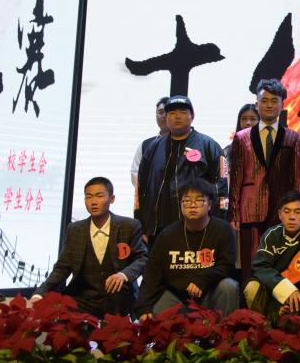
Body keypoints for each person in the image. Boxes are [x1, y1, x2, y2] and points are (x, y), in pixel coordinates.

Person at [32, 176, 147, 318]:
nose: (93, 202)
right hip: (83, 298)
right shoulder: (75, 229)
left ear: (112, 199)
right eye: (89, 197)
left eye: (99, 196)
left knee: (119, 297)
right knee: (60, 314)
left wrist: (123, 275)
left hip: (118, 298)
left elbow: (142, 259)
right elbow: (62, 268)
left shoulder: (129, 226)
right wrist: (39, 294)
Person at [229, 80, 300, 281]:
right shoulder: (242, 137)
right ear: (257, 103)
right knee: (250, 266)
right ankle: (249, 301)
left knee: (279, 264)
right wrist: (234, 213)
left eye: (274, 100)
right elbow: (235, 178)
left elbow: (296, 179)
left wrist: (297, 210)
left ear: (282, 104)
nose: (269, 105)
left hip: (281, 210)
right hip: (250, 208)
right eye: (264, 100)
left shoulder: (293, 137)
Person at [135, 178, 239, 319]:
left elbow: (227, 265)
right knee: (156, 311)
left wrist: (203, 279)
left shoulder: (222, 230)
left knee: (229, 287)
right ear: (181, 204)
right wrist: (143, 307)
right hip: (177, 296)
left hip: (210, 292)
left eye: (199, 200)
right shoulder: (167, 234)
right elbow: (152, 273)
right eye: (187, 200)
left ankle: (225, 330)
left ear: (209, 204)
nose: (192, 205)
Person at [136, 95, 224, 243]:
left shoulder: (209, 145)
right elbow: (140, 188)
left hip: (198, 226)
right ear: (166, 117)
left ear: (192, 116)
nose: (177, 116)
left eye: (183, 112)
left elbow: (221, 185)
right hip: (158, 228)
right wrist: (140, 224)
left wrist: (219, 221)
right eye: (171, 113)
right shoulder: (153, 148)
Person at [244, 191, 300, 320]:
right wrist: (286, 292)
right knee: (252, 287)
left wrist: (296, 302)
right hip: (274, 293)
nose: (292, 217)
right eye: (287, 211)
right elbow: (260, 266)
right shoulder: (271, 234)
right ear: (280, 214)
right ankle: (263, 327)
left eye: (298, 212)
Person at [221, 103, 259, 214]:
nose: (248, 123)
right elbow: (222, 180)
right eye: (244, 119)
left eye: (253, 119)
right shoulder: (228, 151)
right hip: (233, 206)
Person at [130, 96, 169, 190]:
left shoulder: (187, 143)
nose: (164, 116)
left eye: (168, 112)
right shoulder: (146, 145)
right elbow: (135, 172)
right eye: (160, 112)